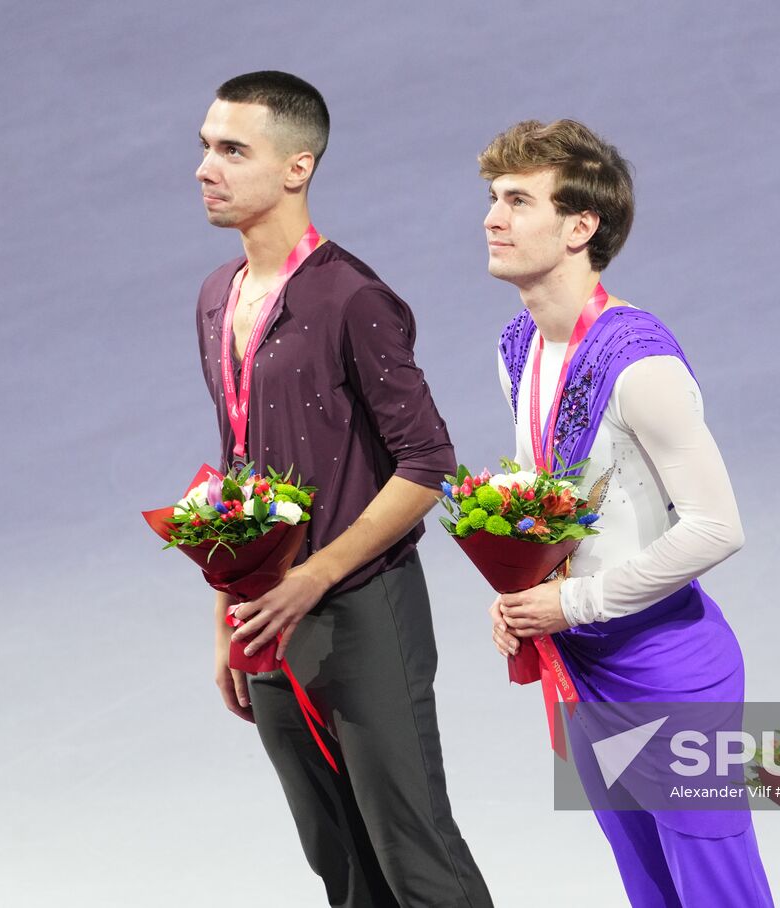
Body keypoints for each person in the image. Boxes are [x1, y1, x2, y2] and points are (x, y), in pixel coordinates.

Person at [192, 70, 492, 908]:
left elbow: (428, 463)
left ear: (298, 167)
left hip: (362, 606)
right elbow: (237, 469)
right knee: (339, 859)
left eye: (232, 150)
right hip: (269, 613)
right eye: (206, 147)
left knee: (413, 854)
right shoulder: (218, 296)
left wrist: (312, 579)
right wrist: (229, 620)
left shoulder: (353, 296)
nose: (205, 168)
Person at [481, 118, 774, 907]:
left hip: (669, 666)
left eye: (517, 200)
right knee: (649, 888)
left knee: (716, 892)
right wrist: (520, 599)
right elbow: (555, 503)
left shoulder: (640, 362)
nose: (492, 217)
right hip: (583, 661)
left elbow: (718, 526)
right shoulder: (517, 346)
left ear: (581, 226)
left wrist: (570, 600)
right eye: (492, 198)